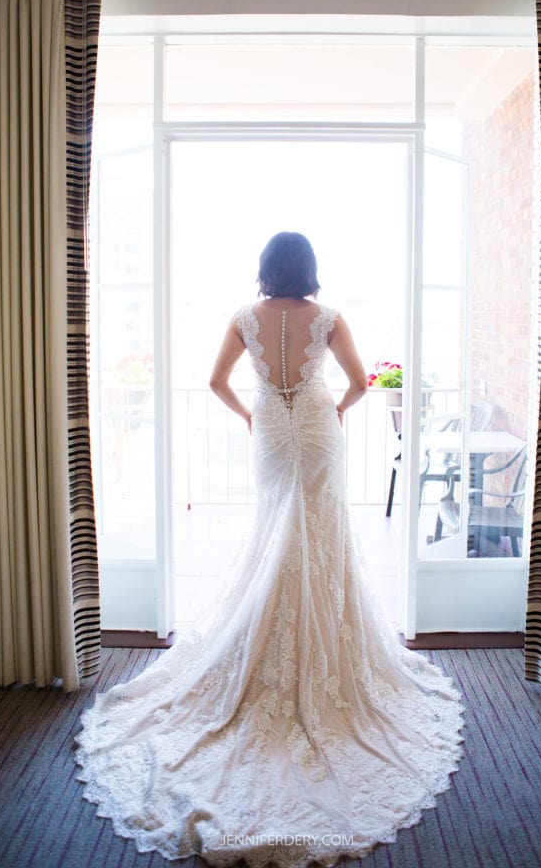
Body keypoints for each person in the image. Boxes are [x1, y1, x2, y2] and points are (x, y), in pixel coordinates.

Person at [75, 232, 463, 867]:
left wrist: (253, 415)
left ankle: (258, 649)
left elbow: (215, 381)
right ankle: (322, 648)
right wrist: (332, 409)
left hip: (270, 435)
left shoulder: (243, 318)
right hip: (315, 429)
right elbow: (362, 385)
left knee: (271, 535)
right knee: (320, 537)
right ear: (309, 269)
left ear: (264, 270)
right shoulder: (329, 318)